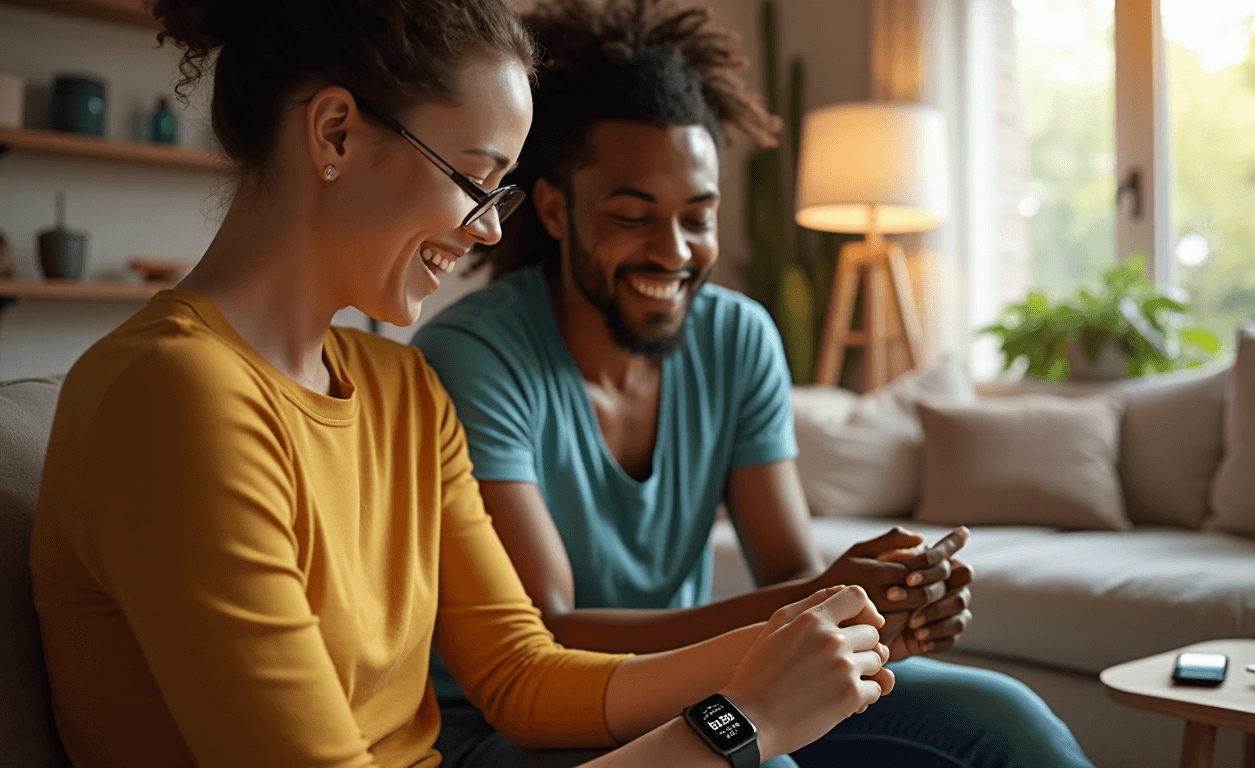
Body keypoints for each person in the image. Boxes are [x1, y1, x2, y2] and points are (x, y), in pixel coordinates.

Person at [29, 2, 897, 767]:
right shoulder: (174, 396)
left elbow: (520, 673)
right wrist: (739, 722)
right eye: (475, 181)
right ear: (335, 132)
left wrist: (783, 643)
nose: (486, 230)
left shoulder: (402, 388)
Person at [412, 1, 1096, 766]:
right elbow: (548, 638)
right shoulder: (474, 357)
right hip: (508, 728)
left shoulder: (737, 337)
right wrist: (817, 600)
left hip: (711, 687)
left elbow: (788, 573)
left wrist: (880, 604)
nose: (672, 251)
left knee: (1000, 715)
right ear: (555, 209)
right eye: (633, 216)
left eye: (697, 217)